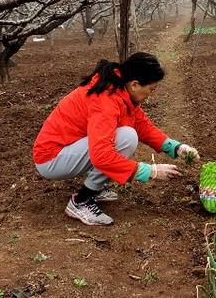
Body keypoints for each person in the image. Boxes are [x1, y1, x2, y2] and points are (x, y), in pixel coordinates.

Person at [32, 52, 200, 226]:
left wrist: (176, 147)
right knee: (126, 138)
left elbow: (142, 126)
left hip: (68, 149)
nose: (151, 95)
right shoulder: (106, 101)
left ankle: (94, 188)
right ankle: (81, 201)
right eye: (151, 89)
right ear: (135, 84)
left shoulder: (119, 91)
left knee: (126, 135)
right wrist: (150, 171)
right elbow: (101, 156)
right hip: (51, 158)